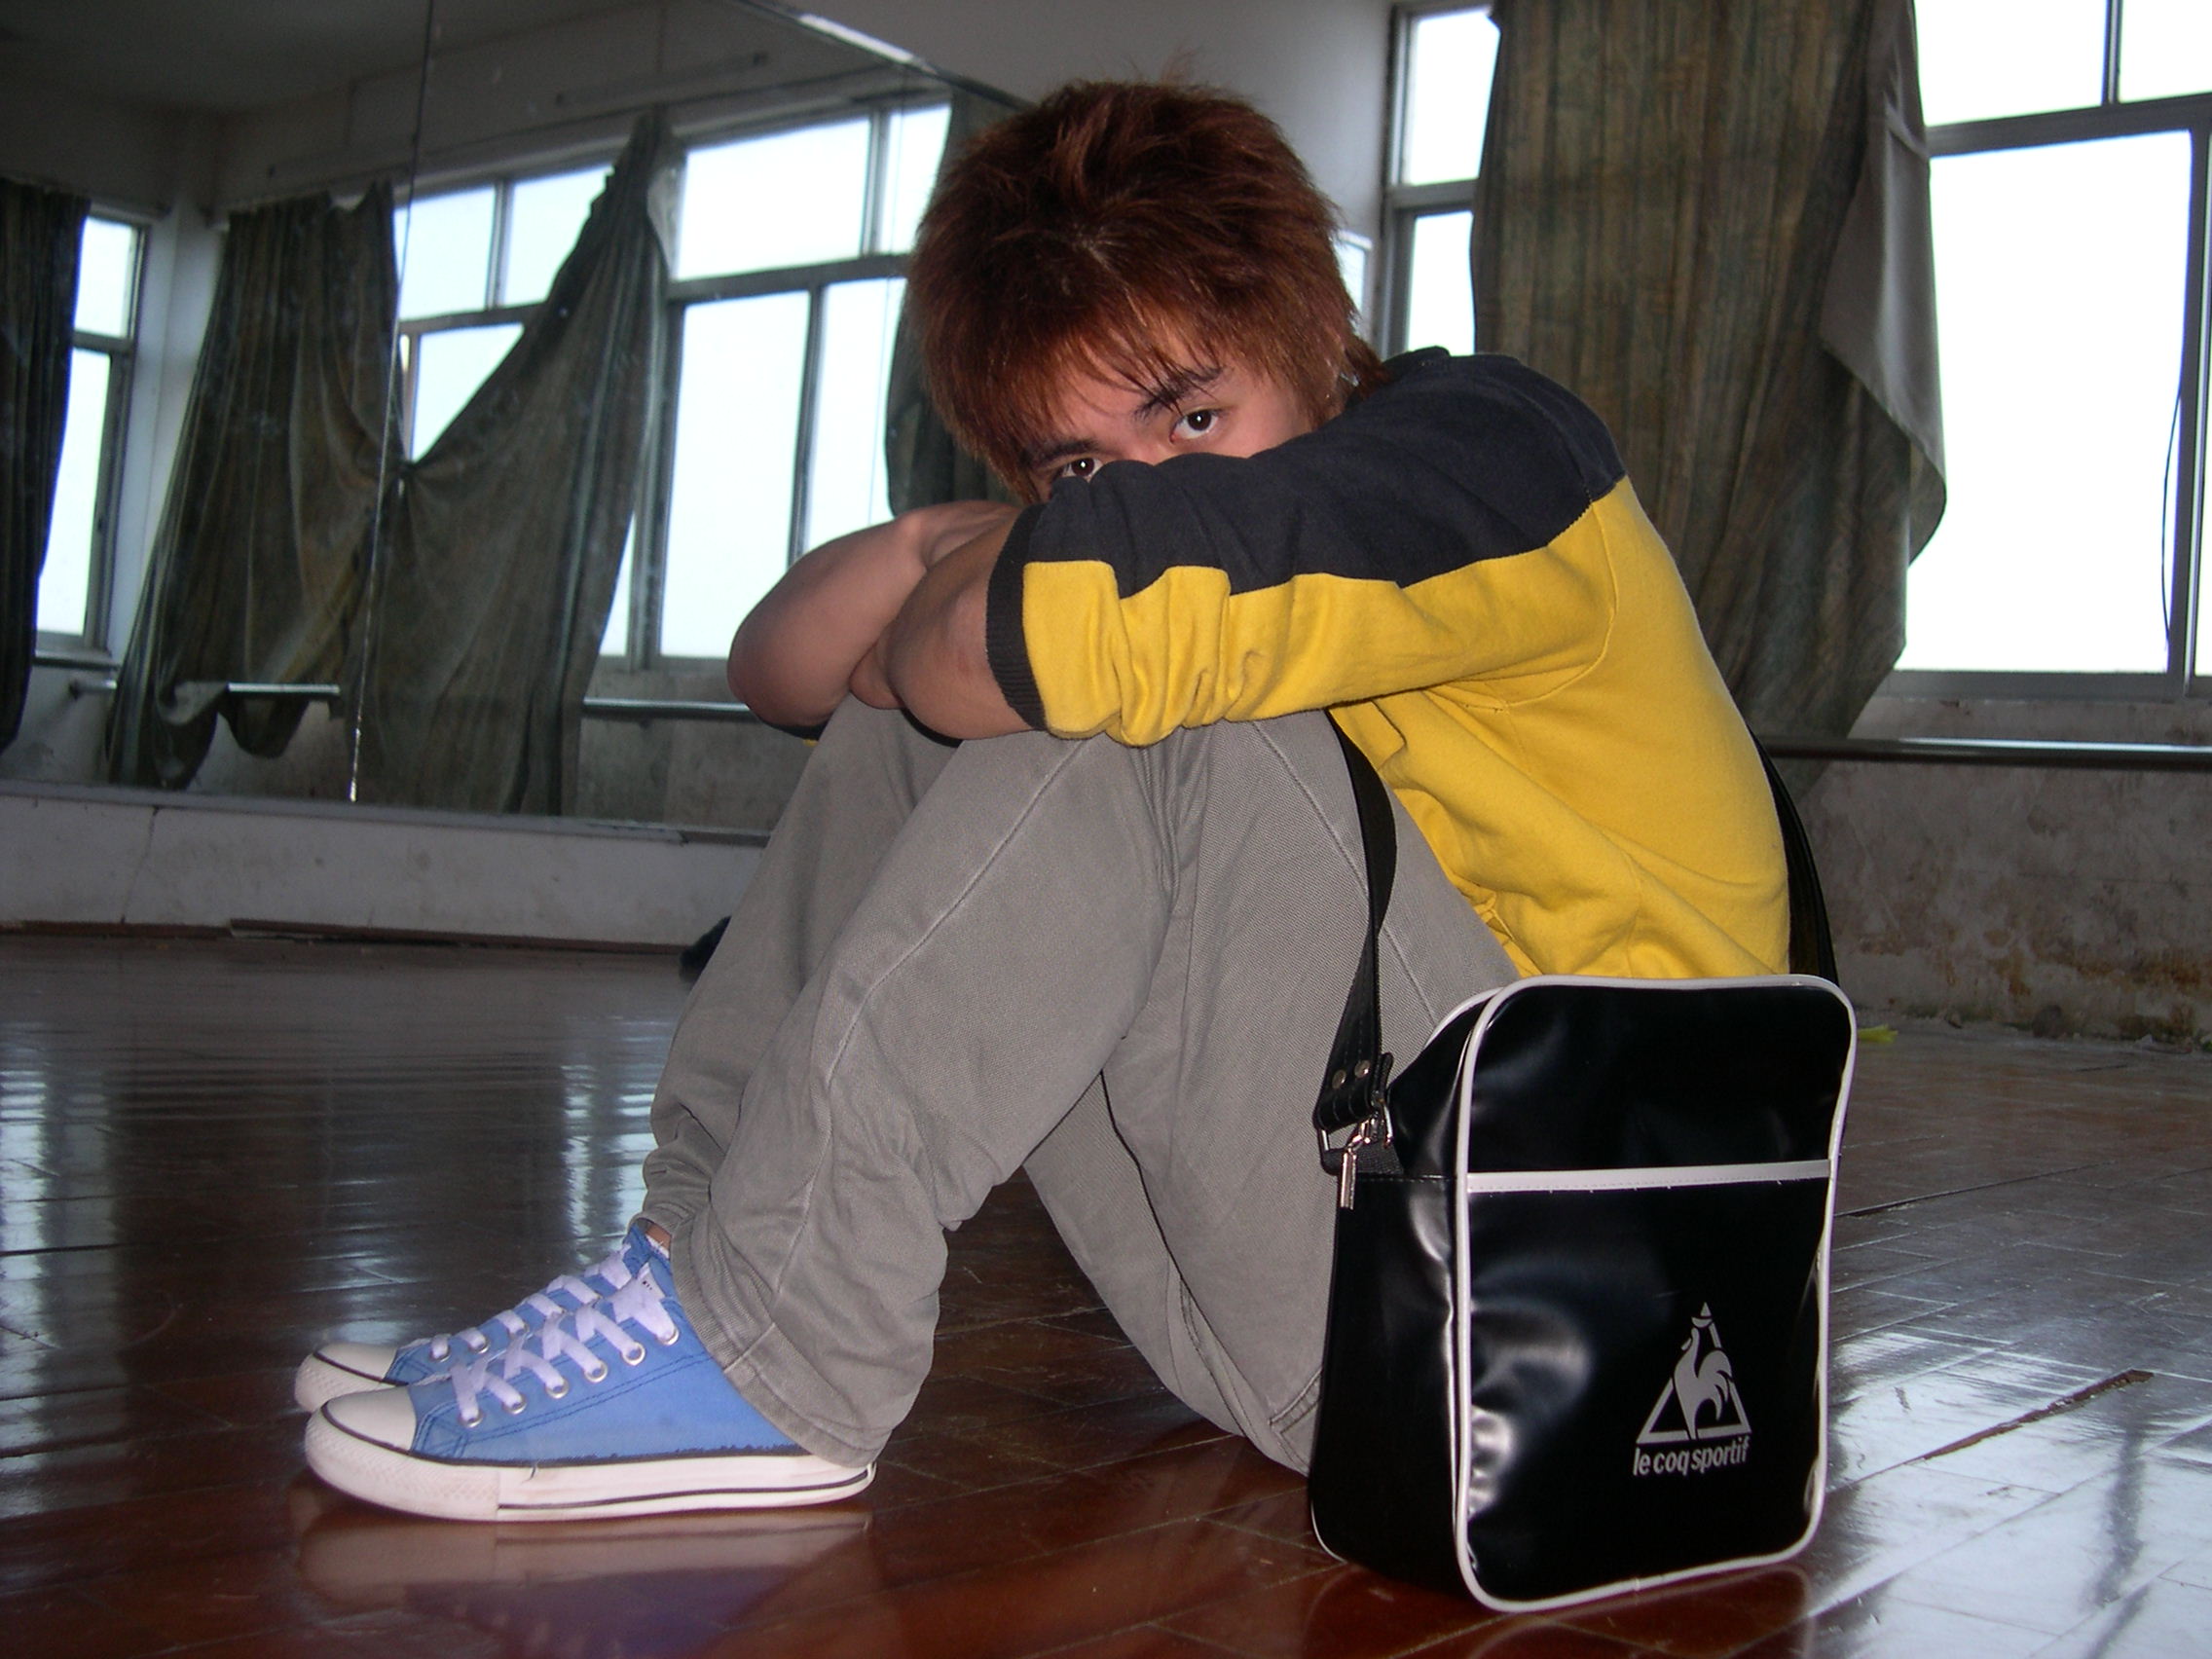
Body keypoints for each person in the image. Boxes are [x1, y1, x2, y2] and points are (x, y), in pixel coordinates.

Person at [294, 80, 1788, 1523]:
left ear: (1318, 337)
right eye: (1080, 462)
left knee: (1128, 697)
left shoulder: (1488, 457)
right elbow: (785, 669)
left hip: (1577, 1301)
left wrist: (994, 579)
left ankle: (778, 1355)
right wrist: (930, 550)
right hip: (1345, 1318)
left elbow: (1081, 620)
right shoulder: (1198, 527)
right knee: (946, 710)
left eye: (1191, 417)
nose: (1136, 489)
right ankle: (696, 1278)